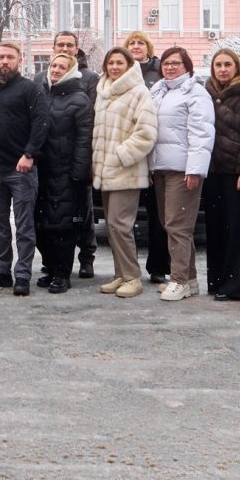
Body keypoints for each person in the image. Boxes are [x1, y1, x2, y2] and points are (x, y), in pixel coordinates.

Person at [0, 42, 51, 296]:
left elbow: (41, 123)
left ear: (20, 60)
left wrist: (29, 154)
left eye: (10, 57)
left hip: (21, 170)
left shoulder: (31, 90)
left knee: (24, 225)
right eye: (0, 57)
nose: (5, 61)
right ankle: (2, 271)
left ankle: (23, 275)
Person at [91, 47, 158, 299]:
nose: (114, 67)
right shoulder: (103, 92)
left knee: (121, 225)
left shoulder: (139, 92)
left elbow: (147, 133)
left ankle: (132, 277)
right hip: (105, 171)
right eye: (110, 63)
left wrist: (121, 155)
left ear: (130, 66)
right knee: (112, 226)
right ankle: (120, 273)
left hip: (126, 171)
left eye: (120, 63)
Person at [149, 47, 215, 302]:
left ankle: (178, 280)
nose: (170, 67)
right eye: (166, 63)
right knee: (172, 225)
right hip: (161, 168)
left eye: (176, 63)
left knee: (178, 226)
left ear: (187, 66)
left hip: (183, 170)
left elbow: (202, 132)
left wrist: (195, 169)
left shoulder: (195, 92)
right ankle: (190, 278)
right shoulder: (159, 91)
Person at [202, 48, 240, 301]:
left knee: (237, 231)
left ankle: (235, 286)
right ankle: (216, 281)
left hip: (237, 173)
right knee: (216, 229)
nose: (223, 69)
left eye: (228, 64)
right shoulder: (206, 93)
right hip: (212, 172)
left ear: (236, 67)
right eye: (218, 65)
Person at [33, 53, 93, 294]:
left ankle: (62, 274)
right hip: (42, 170)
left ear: (71, 71)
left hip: (66, 172)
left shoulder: (80, 99)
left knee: (63, 226)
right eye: (53, 66)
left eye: (62, 67)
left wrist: (78, 173)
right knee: (42, 225)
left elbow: (84, 139)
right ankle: (50, 268)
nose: (56, 70)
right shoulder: (41, 94)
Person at [123, 30, 167, 284]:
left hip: (154, 150)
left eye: (141, 43)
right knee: (123, 216)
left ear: (148, 48)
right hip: (128, 151)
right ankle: (126, 270)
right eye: (132, 43)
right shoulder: (121, 71)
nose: (136, 46)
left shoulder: (159, 73)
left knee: (157, 214)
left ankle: (158, 267)